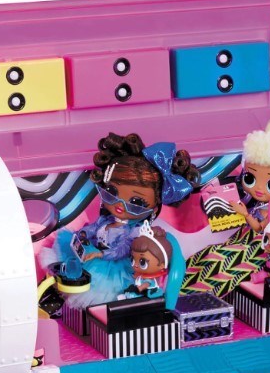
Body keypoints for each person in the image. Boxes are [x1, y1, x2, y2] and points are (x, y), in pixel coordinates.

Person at [40, 132, 198, 308]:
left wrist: (101, 254)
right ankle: (52, 300)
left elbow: (122, 249)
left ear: (154, 208)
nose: (120, 205)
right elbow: (94, 227)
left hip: (111, 267)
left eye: (136, 202)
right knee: (68, 269)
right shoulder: (107, 218)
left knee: (94, 291)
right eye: (111, 192)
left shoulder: (136, 232)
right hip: (94, 252)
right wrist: (83, 234)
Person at [183, 113, 270, 297]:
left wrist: (245, 214)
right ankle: (181, 283)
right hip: (244, 239)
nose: (259, 189)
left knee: (220, 262)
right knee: (209, 254)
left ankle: (192, 291)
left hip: (257, 249)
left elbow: (260, 229)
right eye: (250, 178)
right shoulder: (261, 205)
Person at [122, 222, 172, 299]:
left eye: (142, 262)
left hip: (145, 295)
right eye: (133, 259)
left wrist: (140, 288)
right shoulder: (140, 274)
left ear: (162, 264)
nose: (135, 265)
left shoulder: (151, 279)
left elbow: (146, 284)